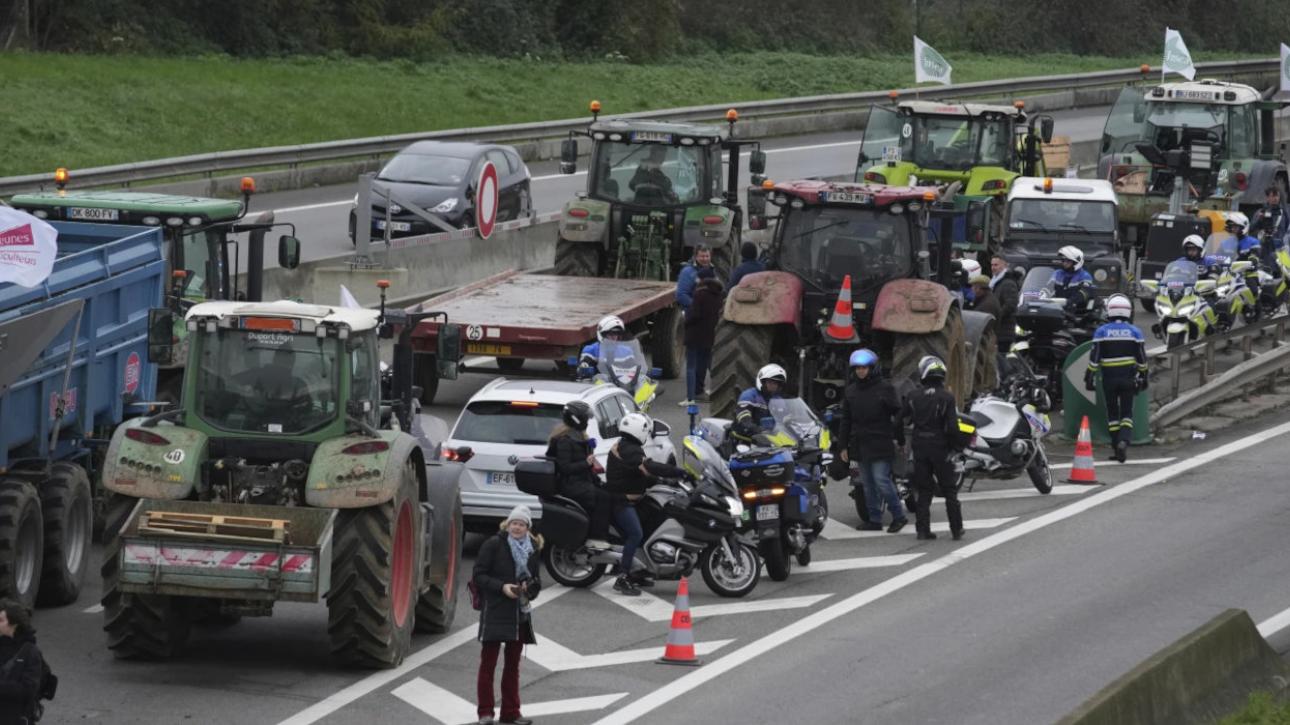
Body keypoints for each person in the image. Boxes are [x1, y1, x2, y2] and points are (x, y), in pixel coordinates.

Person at [604, 412, 690, 596]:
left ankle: (639, 571)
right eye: (646, 430)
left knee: (655, 519)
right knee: (635, 533)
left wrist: (666, 482)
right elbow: (650, 467)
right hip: (621, 501)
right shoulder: (630, 450)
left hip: (633, 499)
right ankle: (623, 577)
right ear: (639, 431)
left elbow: (641, 475)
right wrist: (679, 472)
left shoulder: (627, 445)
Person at [474, 506, 542, 725]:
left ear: (527, 528)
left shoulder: (532, 549)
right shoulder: (493, 544)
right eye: (514, 523)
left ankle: (511, 713)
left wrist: (530, 589)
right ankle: (485, 713)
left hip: (519, 615)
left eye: (521, 524)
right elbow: (478, 576)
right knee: (488, 665)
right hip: (495, 610)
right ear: (508, 524)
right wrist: (502, 587)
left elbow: (537, 582)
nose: (517, 527)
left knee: (513, 667)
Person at [836, 349, 908, 533]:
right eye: (857, 368)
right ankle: (874, 519)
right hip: (860, 444)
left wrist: (899, 438)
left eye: (864, 368)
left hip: (880, 442)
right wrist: (842, 445)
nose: (860, 371)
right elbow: (846, 420)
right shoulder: (851, 391)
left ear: (872, 368)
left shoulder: (885, 388)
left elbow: (898, 414)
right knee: (866, 484)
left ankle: (899, 516)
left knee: (882, 480)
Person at [903, 356, 965, 541]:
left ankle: (922, 530)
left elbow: (900, 420)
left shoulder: (913, 396)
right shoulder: (947, 397)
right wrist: (956, 447)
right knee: (949, 490)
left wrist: (900, 440)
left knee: (924, 490)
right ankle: (956, 529)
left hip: (920, 447)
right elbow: (953, 427)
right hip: (941, 448)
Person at [1085, 294, 1147, 463]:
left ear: (1110, 311)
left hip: (1109, 379)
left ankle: (1115, 446)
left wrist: (1089, 376)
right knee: (1127, 413)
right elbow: (1142, 358)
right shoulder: (1135, 331)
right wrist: (1144, 375)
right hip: (1128, 377)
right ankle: (1123, 442)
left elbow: (1094, 358)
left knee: (1112, 414)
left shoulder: (1101, 331)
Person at [545, 401, 611, 550]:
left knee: (609, 492)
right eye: (585, 419)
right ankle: (595, 538)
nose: (587, 422)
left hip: (581, 481)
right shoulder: (565, 441)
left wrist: (599, 481)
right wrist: (586, 463)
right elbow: (565, 467)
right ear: (577, 420)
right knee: (602, 498)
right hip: (571, 484)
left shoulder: (580, 437)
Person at [0, 599, 45, 725]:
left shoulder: (30, 652)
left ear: (14, 624)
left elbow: (28, 689)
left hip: (16, 718)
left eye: (1, 620)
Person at [683, 267, 722, 405]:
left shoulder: (700, 294)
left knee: (691, 366)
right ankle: (714, 390)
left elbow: (695, 314)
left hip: (695, 334)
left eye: (698, 278)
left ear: (703, 279)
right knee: (706, 363)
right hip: (710, 335)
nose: (696, 280)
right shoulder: (719, 294)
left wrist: (685, 320)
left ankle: (690, 398)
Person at [733, 364, 787, 442]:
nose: (773, 385)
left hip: (771, 440)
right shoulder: (749, 395)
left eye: (776, 383)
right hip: (746, 439)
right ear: (762, 382)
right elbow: (744, 419)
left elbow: (784, 421)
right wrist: (760, 430)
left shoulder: (778, 400)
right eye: (770, 382)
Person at [1047, 245, 1095, 317]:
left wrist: (1071, 301)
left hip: (1077, 312)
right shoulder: (1057, 273)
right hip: (1056, 309)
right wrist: (1042, 295)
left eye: (1068, 261)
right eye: (1063, 261)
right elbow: (1048, 287)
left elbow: (1084, 293)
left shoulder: (1085, 276)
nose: (1064, 263)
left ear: (1076, 262)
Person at [1252, 185, 1289, 271]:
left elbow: (1286, 228)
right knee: (1265, 270)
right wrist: (1260, 220)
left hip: (1279, 249)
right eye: (1272, 196)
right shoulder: (1260, 212)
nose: (1275, 198)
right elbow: (1252, 229)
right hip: (1264, 248)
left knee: (1281, 272)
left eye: (1277, 196)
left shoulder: (1283, 213)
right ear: (1267, 198)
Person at [990, 255, 1020, 354]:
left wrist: (996, 317)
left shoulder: (1007, 283)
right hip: (999, 330)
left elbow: (1010, 305)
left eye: (996, 265)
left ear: (1004, 266)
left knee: (1001, 358)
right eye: (992, 265)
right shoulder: (996, 282)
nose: (993, 268)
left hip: (1004, 331)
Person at [675, 245, 712, 312]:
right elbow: (681, 295)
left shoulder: (711, 271)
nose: (705, 259)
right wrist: (698, 307)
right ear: (695, 257)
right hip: (693, 313)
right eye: (702, 256)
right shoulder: (688, 272)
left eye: (707, 256)